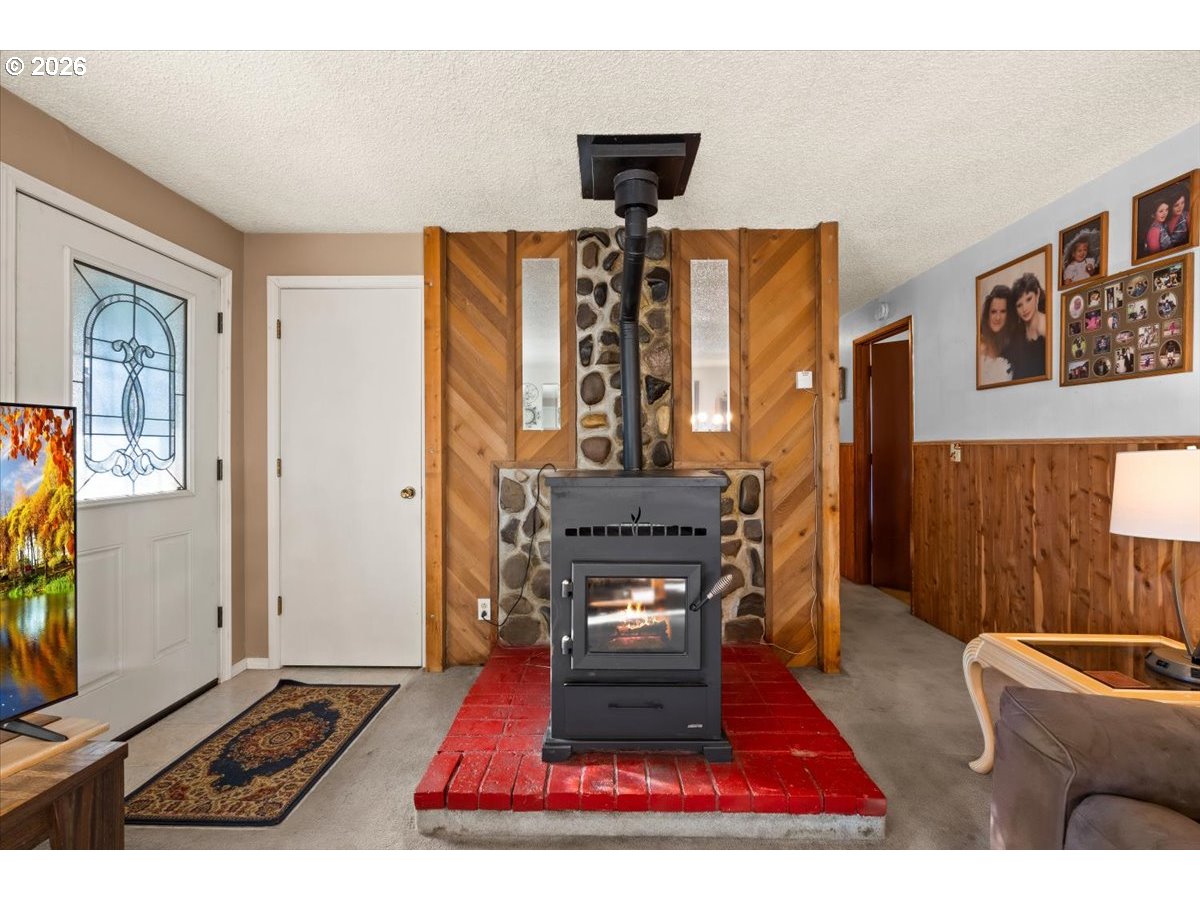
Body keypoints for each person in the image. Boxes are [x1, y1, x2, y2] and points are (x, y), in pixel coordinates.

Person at [1007, 272, 1047, 380]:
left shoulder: (1045, 326)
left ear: (1037, 294)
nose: (1024, 309)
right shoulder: (1018, 333)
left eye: (1028, 299)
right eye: (1019, 305)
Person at [978, 284, 1015, 384]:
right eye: (993, 312)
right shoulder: (979, 343)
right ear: (987, 314)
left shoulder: (1014, 345)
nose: (997, 318)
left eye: (1003, 311)